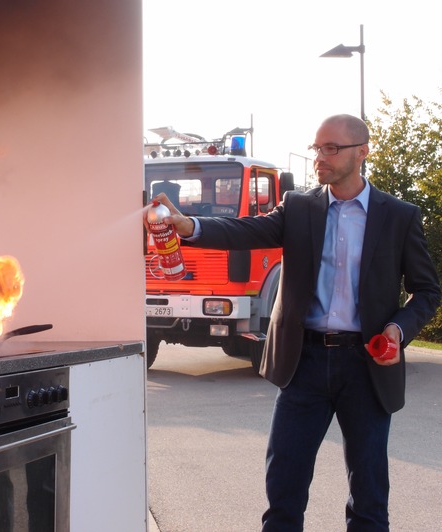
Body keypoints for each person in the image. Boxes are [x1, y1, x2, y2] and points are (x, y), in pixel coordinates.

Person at [147, 114, 441, 531]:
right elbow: (243, 230)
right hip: (304, 363)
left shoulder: (398, 216)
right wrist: (188, 225)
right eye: (317, 147)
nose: (319, 156)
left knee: (370, 498)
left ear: (363, 152)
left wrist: (398, 329)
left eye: (331, 148)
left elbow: (427, 291)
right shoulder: (300, 207)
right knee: (283, 489)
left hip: (367, 366)